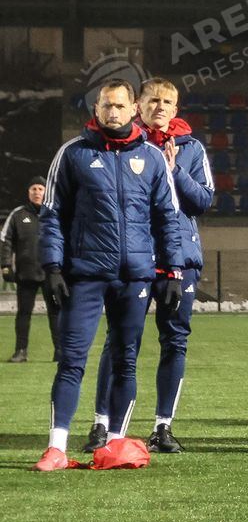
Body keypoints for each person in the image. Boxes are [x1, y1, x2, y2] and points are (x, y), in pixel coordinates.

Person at [34, 80, 187, 471]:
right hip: (84, 275)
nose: (113, 112)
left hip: (135, 277)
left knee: (125, 361)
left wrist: (173, 270)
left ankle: (115, 443)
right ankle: (56, 447)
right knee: (72, 360)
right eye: (106, 106)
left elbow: (167, 218)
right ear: (97, 109)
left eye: (120, 106)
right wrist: (52, 267)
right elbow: (52, 215)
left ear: (134, 108)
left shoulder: (152, 158)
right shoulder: (73, 153)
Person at [82, 78, 214, 453]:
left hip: (180, 259)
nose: (160, 107)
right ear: (138, 105)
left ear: (176, 109)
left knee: (175, 341)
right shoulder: (123, 145)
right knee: (120, 340)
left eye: (167, 102)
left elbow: (203, 201)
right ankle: (102, 423)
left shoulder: (191, 148)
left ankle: (163, 427)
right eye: (153, 100)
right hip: (133, 256)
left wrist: (175, 171)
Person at [3, 177, 56, 361]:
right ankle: (21, 351)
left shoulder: (55, 212)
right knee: (23, 314)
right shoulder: (18, 214)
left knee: (56, 313)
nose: (37, 192)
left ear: (46, 192)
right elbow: (5, 240)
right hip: (26, 273)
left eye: (41, 188)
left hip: (52, 273)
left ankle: (61, 352)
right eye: (33, 188)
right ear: (28, 192)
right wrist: (6, 265)